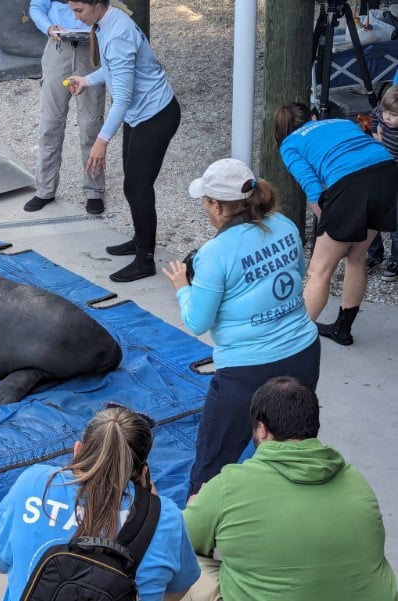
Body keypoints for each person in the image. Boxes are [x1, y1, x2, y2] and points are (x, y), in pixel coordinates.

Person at [162, 159, 319, 496]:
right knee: (293, 451)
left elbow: (197, 321)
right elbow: (297, 274)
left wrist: (183, 288)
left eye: (205, 201)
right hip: (303, 354)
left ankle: (199, 536)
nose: (205, 208)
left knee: (211, 467)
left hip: (246, 371)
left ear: (217, 206)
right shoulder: (286, 225)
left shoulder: (214, 253)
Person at [182, 376, 398, 601]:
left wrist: (197, 506)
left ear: (262, 429)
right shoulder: (355, 479)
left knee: (179, 561)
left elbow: (181, 538)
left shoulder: (230, 485)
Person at [0, 406, 200, 601]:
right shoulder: (166, 517)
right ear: (142, 472)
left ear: (78, 450)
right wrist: (151, 504)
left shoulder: (34, 482)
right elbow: (178, 589)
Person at [65, 0, 180, 282]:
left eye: (79, 10)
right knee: (134, 183)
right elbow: (114, 68)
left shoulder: (117, 34)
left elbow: (123, 98)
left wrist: (101, 141)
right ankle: (140, 241)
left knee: (138, 187)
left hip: (155, 115)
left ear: (96, 4)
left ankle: (145, 260)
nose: (75, 17)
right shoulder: (107, 21)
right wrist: (87, 80)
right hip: (139, 115)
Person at [275, 102, 397, 345]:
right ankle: (342, 329)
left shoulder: (289, 143)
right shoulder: (343, 122)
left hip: (350, 183)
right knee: (357, 256)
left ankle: (292, 344)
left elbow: (312, 188)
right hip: (387, 174)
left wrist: (327, 223)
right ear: (313, 115)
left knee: (319, 270)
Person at [24, 0, 106, 215]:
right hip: (58, 47)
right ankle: (45, 189)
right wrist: (48, 27)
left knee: (91, 123)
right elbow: (36, 7)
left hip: (91, 47)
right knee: (50, 122)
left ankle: (94, 191)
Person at [365, 85, 398, 282]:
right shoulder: (381, 113)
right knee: (371, 213)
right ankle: (373, 254)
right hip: (382, 169)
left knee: (396, 221)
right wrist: (377, 131)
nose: (387, 117)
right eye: (387, 112)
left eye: (393, 115)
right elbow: (375, 113)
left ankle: (395, 259)